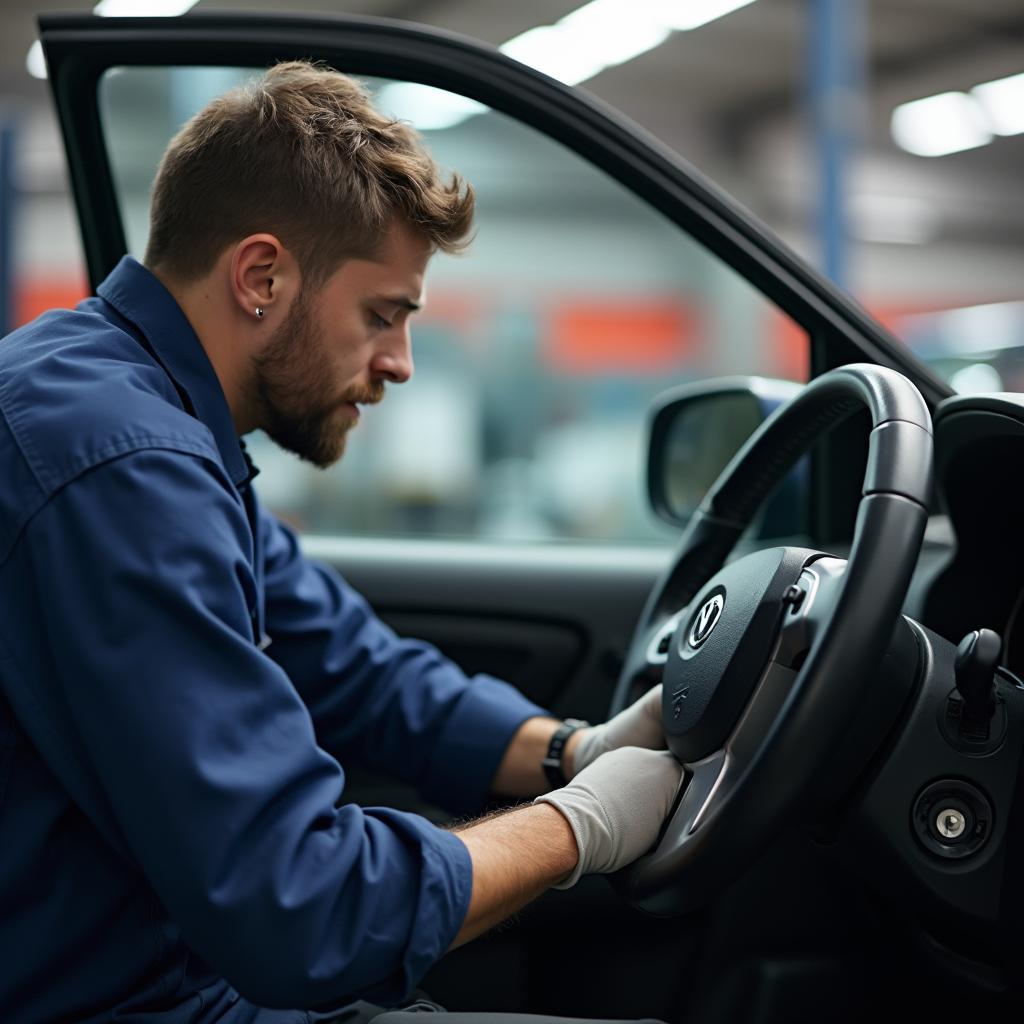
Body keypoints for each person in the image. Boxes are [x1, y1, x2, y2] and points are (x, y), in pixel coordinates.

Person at [0, 61, 683, 1023]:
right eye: (382, 315)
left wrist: (576, 750)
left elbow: (357, 667)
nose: (400, 363)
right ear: (262, 276)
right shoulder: (123, 463)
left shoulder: (143, 409)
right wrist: (585, 827)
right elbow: (304, 906)